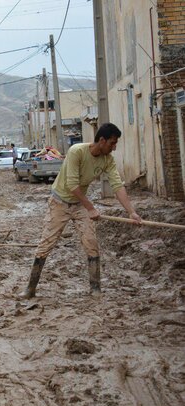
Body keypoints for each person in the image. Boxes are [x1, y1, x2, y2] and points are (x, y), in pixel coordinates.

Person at [19, 123, 142, 299]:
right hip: (59, 203)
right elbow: (72, 185)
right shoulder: (77, 151)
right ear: (102, 140)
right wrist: (91, 208)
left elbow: (117, 186)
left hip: (79, 205)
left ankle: (95, 289)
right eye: (112, 143)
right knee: (46, 244)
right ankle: (30, 289)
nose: (114, 148)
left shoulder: (107, 160)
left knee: (91, 243)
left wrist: (131, 212)